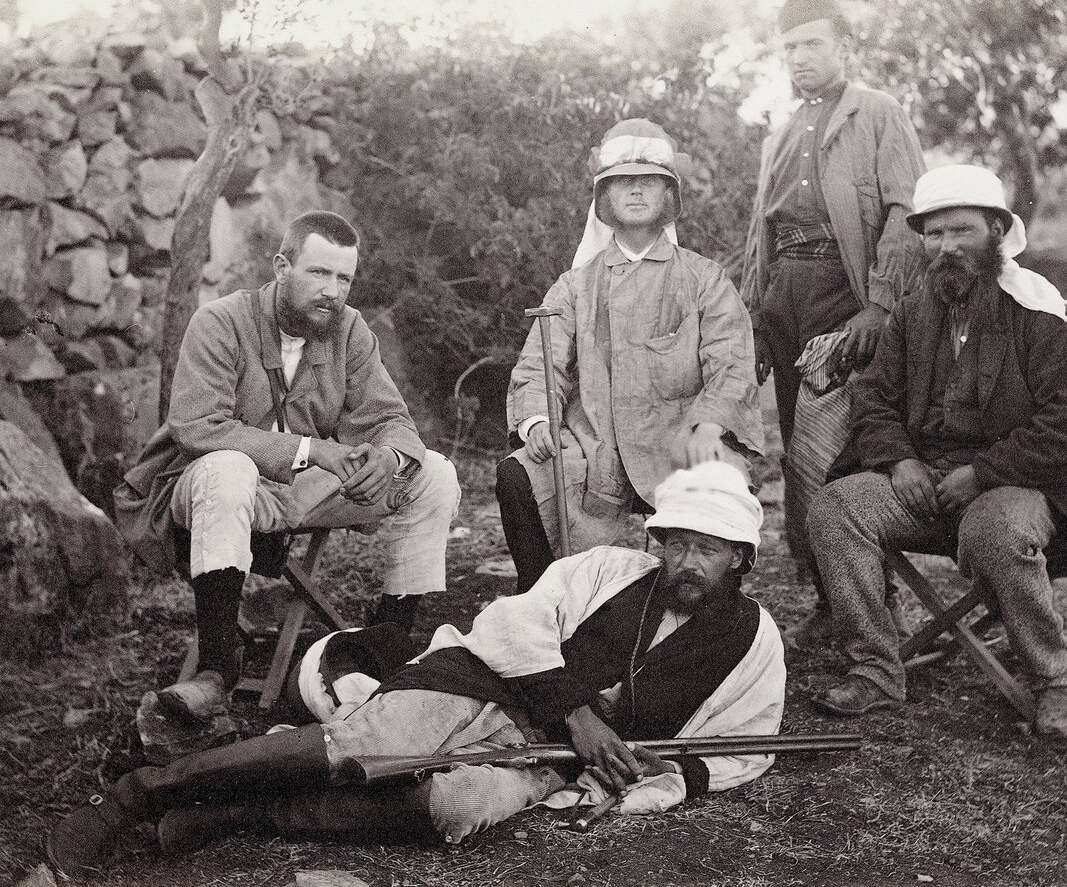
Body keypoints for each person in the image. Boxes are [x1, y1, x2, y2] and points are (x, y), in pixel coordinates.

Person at [47, 462, 786, 877]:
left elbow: (742, 744)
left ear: (743, 558)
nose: (687, 563)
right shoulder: (609, 569)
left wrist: (650, 777)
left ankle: (236, 811)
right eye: (677, 543)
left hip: (549, 759)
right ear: (658, 541)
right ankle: (133, 799)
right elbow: (512, 623)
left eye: (709, 549)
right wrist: (580, 713)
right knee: (359, 750)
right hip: (475, 683)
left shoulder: (754, 642)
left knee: (453, 809)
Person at [807, 164, 1067, 737]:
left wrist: (982, 473)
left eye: (962, 231)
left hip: (1021, 486)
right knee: (835, 508)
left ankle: (1054, 680)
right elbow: (873, 397)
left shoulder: (1042, 313)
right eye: (934, 234)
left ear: (997, 232)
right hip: (924, 480)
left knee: (995, 530)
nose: (947, 247)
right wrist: (899, 460)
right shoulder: (912, 311)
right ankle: (876, 669)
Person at [113, 210, 460, 719]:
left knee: (434, 473)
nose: (332, 291)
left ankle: (386, 645)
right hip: (212, 486)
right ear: (282, 266)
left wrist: (388, 456)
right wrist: (314, 449)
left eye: (344, 278)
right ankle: (215, 670)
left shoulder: (350, 330)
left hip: (302, 494)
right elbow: (197, 428)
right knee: (226, 467)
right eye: (319, 273)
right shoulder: (220, 321)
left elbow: (391, 418)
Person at [498, 118, 764, 592]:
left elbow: (733, 363)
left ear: (669, 197)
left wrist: (708, 425)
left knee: (722, 489)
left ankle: (708, 618)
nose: (636, 191)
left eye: (650, 182)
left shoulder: (704, 279)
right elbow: (542, 362)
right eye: (623, 182)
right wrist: (538, 418)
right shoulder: (576, 285)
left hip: (685, 439)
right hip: (596, 441)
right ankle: (545, 602)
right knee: (522, 474)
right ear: (604, 199)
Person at [739, 0, 926, 647]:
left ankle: (878, 604)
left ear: (844, 47)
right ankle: (828, 598)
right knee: (798, 458)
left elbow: (907, 212)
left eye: (813, 43)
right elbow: (761, 236)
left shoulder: (879, 114)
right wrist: (758, 320)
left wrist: (879, 303)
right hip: (786, 302)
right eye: (790, 47)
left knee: (843, 455)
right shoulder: (780, 135)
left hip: (848, 304)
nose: (800, 57)